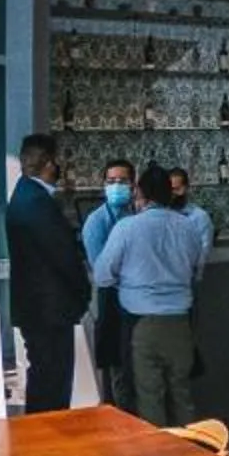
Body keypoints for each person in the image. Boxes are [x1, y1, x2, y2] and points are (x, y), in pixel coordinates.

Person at [92, 163, 209, 425]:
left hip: (143, 324)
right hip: (181, 322)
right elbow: (194, 267)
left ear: (140, 195)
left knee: (150, 399)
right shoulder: (189, 227)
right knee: (181, 394)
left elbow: (102, 275)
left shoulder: (127, 228)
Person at [5, 134, 89, 413]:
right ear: (50, 163)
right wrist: (83, 293)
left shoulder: (24, 194)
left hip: (37, 310)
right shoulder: (38, 203)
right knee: (52, 384)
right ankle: (47, 446)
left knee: (44, 378)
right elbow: (63, 256)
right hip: (49, 311)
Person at [81, 156, 137, 408]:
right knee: (119, 372)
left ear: (133, 185)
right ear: (103, 185)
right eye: (111, 181)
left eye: (122, 181)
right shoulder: (96, 222)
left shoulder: (138, 215)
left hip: (139, 303)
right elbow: (102, 269)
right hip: (112, 300)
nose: (116, 186)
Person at [167, 163, 217, 264]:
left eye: (177, 189)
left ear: (186, 188)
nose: (173, 194)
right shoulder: (162, 215)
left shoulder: (199, 217)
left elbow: (204, 252)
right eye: (170, 190)